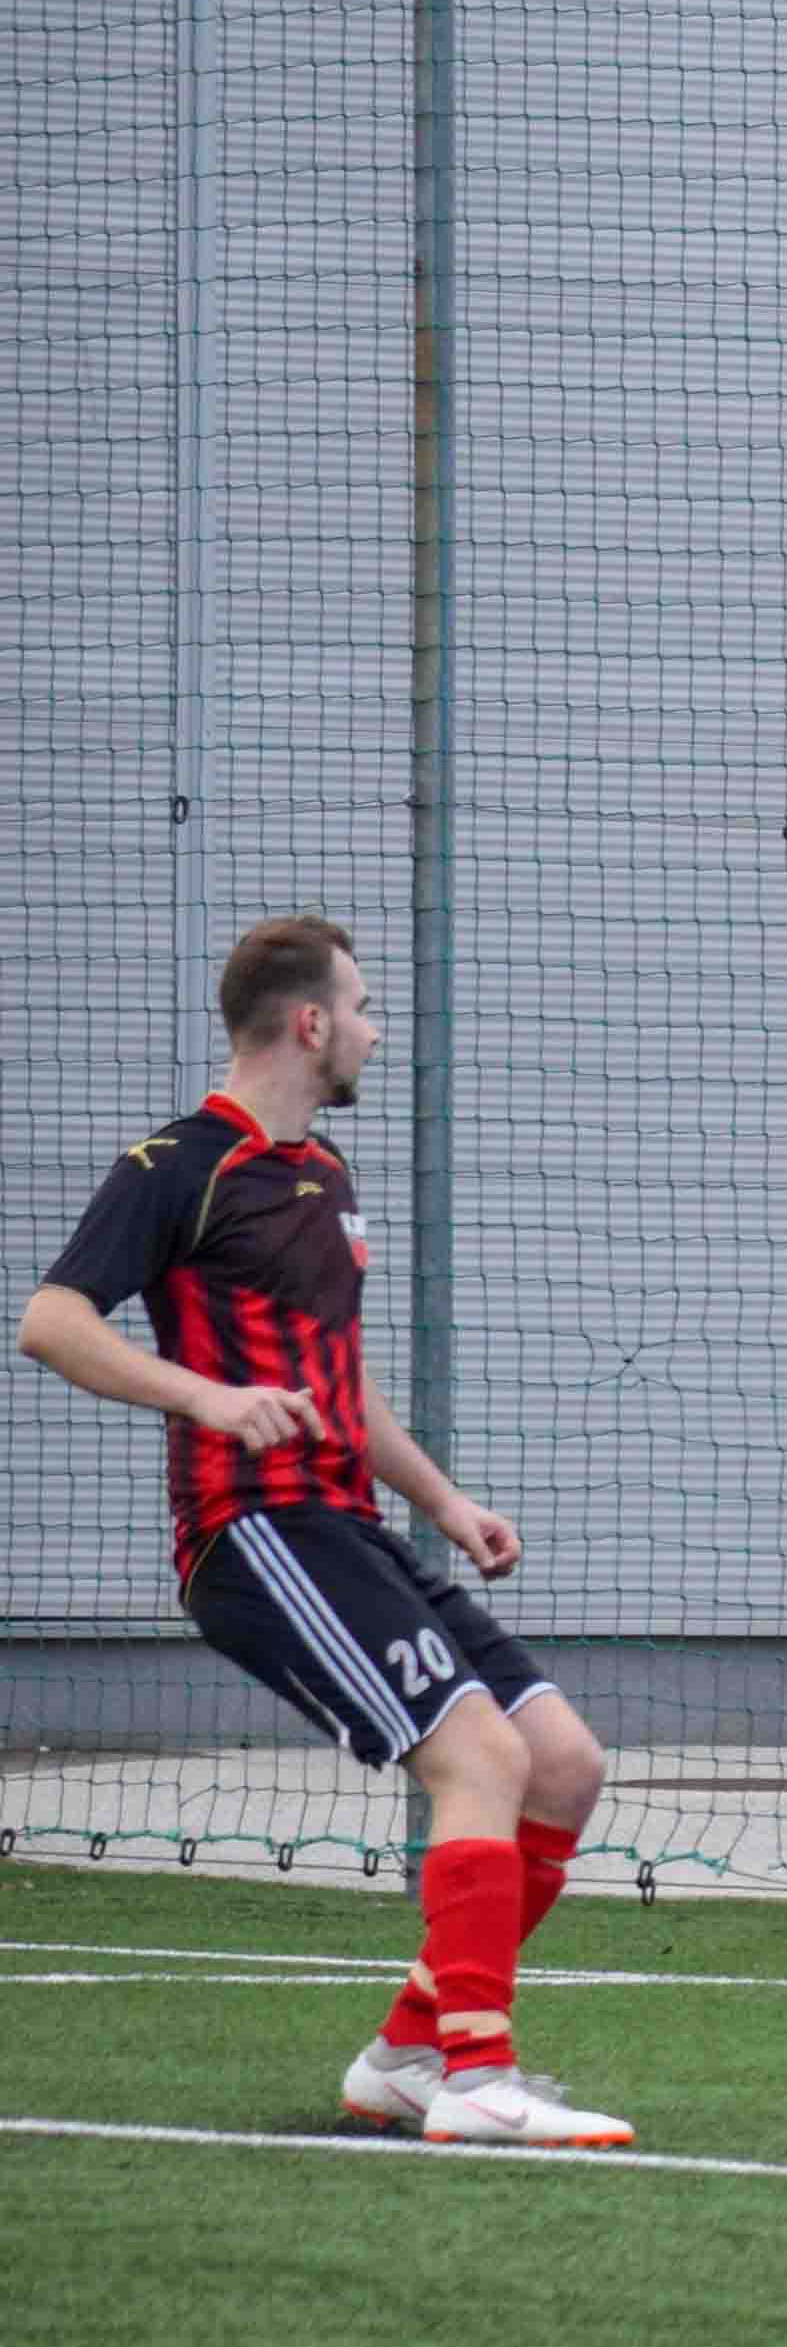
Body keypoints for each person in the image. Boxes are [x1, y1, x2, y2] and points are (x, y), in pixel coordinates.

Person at [17, 915, 630, 2148]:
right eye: (358, 1006)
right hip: (252, 1532)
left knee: (562, 1761)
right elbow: (51, 1320)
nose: (371, 1030)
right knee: (477, 1758)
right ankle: (476, 2073)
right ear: (309, 1023)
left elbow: (339, 1382)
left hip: (343, 1522)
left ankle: (406, 2054)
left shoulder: (325, 1173)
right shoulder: (175, 1166)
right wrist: (207, 1397)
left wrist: (445, 1501)